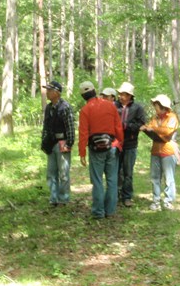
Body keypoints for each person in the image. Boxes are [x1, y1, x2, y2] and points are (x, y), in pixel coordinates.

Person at [78, 81, 124, 219]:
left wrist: (82, 153)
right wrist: (119, 142)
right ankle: (110, 211)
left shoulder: (85, 110)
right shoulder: (109, 106)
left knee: (97, 180)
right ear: (95, 91)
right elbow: (118, 127)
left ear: (83, 96)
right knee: (112, 179)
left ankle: (98, 212)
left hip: (96, 149)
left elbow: (83, 133)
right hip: (111, 146)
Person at [140, 94, 179, 211]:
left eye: (156, 106)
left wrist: (154, 129)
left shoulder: (172, 117)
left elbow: (168, 131)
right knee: (155, 177)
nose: (155, 108)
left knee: (169, 178)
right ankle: (156, 201)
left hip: (168, 151)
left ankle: (168, 201)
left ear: (163, 107)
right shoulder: (155, 118)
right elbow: (151, 126)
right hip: (155, 151)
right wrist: (146, 128)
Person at [40, 80, 75, 207]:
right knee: (51, 172)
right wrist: (43, 142)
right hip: (51, 143)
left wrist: (69, 143)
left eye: (49, 90)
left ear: (57, 92)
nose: (47, 93)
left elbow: (70, 127)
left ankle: (64, 199)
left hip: (62, 143)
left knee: (63, 173)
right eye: (47, 90)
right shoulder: (48, 108)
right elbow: (45, 126)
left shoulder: (65, 107)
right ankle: (53, 198)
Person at [116, 81, 146, 207]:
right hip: (116, 143)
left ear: (129, 95)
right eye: (120, 94)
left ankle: (127, 196)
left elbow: (141, 124)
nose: (121, 96)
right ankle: (116, 194)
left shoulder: (137, 108)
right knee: (116, 171)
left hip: (130, 144)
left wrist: (126, 126)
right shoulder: (114, 106)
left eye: (123, 94)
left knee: (128, 171)